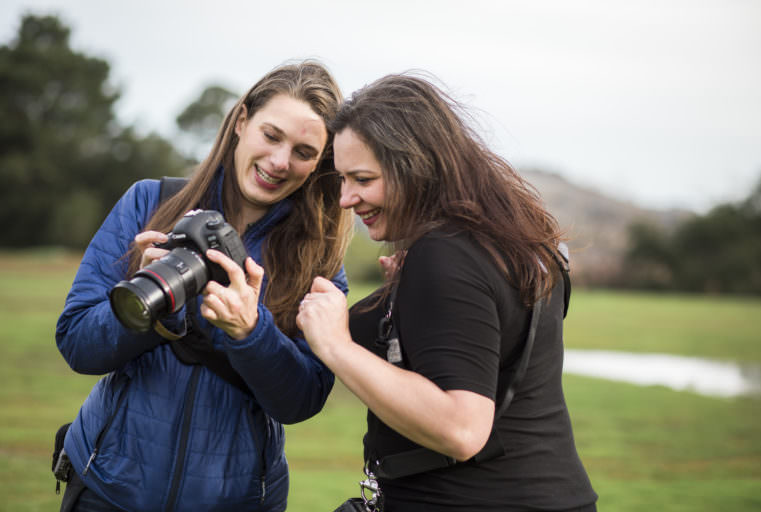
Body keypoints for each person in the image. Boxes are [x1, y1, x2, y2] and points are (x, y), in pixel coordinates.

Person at [55, 60, 352, 512]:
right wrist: (153, 307)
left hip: (235, 501)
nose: (279, 162)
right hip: (108, 490)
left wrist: (252, 333)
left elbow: (302, 400)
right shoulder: (150, 203)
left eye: (303, 152)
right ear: (241, 121)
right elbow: (78, 344)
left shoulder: (318, 259)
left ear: (319, 165)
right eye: (271, 136)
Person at [296, 74, 598, 511]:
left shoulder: (445, 255)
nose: (346, 199)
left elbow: (462, 429)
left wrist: (336, 346)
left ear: (414, 165)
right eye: (342, 179)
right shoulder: (502, 239)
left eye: (362, 178)